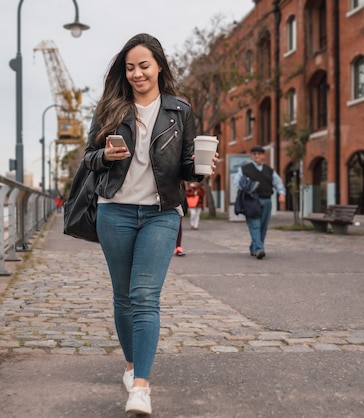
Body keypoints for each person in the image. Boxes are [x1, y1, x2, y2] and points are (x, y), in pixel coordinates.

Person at [83, 33, 215, 415]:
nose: (137, 73)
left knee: (144, 296)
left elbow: (188, 167)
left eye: (143, 65)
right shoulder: (111, 107)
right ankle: (130, 366)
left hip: (160, 213)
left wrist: (203, 168)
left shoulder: (180, 110)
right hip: (115, 211)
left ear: (159, 66)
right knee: (123, 296)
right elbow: (89, 157)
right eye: (130, 67)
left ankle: (141, 386)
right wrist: (105, 155)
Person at [233, 145, 286, 259]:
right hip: (251, 201)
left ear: (263, 156)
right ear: (251, 156)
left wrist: (281, 193)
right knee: (255, 225)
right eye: (254, 154)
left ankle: (254, 247)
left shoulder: (269, 170)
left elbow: (278, 183)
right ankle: (259, 249)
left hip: (266, 200)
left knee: (263, 226)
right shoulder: (245, 169)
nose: (256, 156)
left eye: (259, 154)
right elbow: (237, 182)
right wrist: (247, 187)